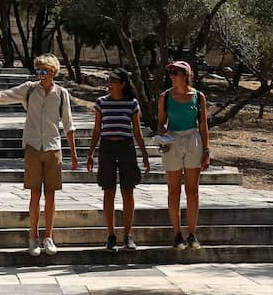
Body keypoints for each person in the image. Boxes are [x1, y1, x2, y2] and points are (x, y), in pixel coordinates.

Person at [0, 53, 78, 257]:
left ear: (53, 72)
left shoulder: (62, 93)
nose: (40, 74)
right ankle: (33, 237)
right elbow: (3, 96)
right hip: (33, 146)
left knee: (50, 195)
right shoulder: (29, 89)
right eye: (38, 70)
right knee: (35, 193)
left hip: (53, 147)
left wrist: (74, 155)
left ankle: (48, 237)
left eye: (44, 71)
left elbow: (68, 125)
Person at [86, 67, 151, 252]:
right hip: (107, 147)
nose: (110, 83)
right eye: (109, 80)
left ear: (123, 84)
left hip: (126, 147)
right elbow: (97, 129)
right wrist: (90, 153)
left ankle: (128, 235)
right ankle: (111, 235)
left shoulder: (132, 103)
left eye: (113, 80)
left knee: (127, 191)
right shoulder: (101, 103)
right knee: (108, 191)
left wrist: (144, 155)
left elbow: (137, 131)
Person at [157, 60, 210, 250]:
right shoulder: (165, 97)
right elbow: (161, 122)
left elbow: (203, 125)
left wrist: (206, 150)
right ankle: (177, 233)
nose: (172, 75)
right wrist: (162, 134)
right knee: (173, 189)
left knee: (192, 189)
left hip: (193, 139)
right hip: (173, 140)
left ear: (186, 75)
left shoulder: (198, 96)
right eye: (170, 72)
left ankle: (192, 233)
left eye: (176, 72)